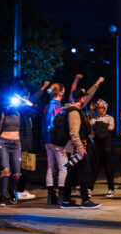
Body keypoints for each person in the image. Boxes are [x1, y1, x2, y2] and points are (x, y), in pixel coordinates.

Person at [60, 77, 104, 209]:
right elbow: (74, 132)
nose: (85, 98)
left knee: (72, 173)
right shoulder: (74, 112)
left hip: (74, 148)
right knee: (86, 171)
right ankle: (85, 200)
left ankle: (66, 200)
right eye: (84, 96)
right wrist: (80, 148)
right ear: (81, 98)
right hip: (76, 148)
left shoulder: (75, 109)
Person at [15, 81, 49, 200]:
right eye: (24, 98)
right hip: (24, 145)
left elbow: (36, 108)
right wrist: (43, 88)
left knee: (27, 169)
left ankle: (21, 190)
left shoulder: (30, 114)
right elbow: (33, 101)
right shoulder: (21, 111)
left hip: (29, 144)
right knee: (23, 169)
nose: (26, 100)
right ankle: (19, 191)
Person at [43, 82, 69, 205]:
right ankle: (61, 196)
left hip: (46, 140)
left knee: (50, 167)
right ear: (60, 93)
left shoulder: (47, 106)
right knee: (62, 167)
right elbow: (57, 124)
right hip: (56, 140)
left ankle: (50, 196)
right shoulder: (59, 107)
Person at [89, 99, 116, 197]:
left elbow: (111, 128)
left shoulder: (110, 118)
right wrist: (91, 111)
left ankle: (111, 188)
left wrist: (97, 127)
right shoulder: (93, 118)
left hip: (107, 147)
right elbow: (90, 132)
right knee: (94, 169)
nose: (99, 110)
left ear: (105, 108)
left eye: (100, 107)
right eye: (97, 107)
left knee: (108, 169)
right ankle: (90, 188)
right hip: (96, 147)